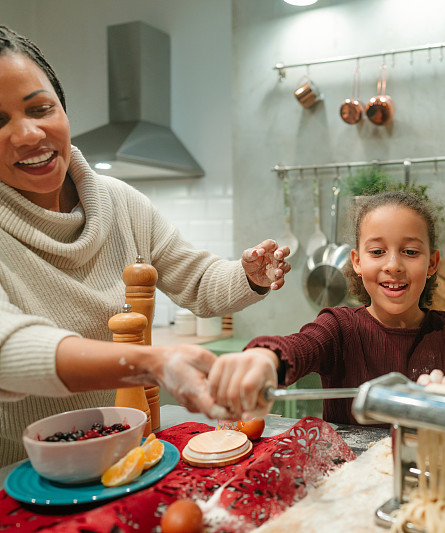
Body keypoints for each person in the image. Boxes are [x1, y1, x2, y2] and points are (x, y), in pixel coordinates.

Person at [0, 25, 291, 466]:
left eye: (40, 109)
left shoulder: (121, 202)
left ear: (63, 108)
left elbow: (196, 279)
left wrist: (247, 274)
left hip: (129, 455)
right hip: (22, 477)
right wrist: (150, 361)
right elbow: (10, 349)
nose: (27, 134)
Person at [208, 190, 445, 424]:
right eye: (377, 252)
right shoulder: (339, 327)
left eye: (410, 252)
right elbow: (299, 347)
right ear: (357, 261)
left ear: (432, 263)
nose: (393, 265)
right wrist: (266, 359)